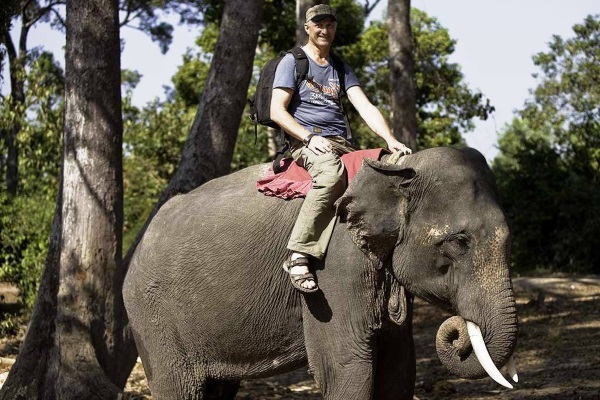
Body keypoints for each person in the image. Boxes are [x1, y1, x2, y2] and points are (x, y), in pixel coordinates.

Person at [270, 4, 412, 293]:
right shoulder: (293, 62)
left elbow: (365, 106)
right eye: (318, 25)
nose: (325, 30)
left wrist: (390, 140)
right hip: (306, 141)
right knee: (330, 173)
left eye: (330, 25)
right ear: (308, 28)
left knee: (391, 167)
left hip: (342, 143)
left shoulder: (340, 67)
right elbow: (276, 111)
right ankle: (298, 255)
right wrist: (308, 137)